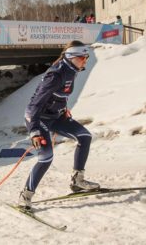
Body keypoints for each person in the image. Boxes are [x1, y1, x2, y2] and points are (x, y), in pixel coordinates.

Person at [18, 40, 99, 210]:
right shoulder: (55, 75)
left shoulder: (72, 69)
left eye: (86, 58)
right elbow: (34, 105)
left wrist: (63, 109)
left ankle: (77, 180)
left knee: (85, 136)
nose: (85, 61)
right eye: (82, 58)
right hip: (38, 118)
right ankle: (26, 195)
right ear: (71, 57)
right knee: (46, 158)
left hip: (56, 116)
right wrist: (34, 131)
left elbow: (59, 95)